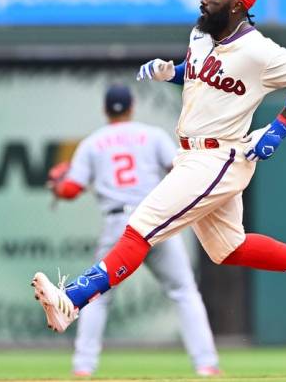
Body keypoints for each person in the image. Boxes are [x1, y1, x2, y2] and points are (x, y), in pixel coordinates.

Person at [32, 0, 286, 341]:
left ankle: (73, 300)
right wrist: (174, 73)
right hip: (191, 153)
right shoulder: (201, 35)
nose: (204, 0)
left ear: (237, 6)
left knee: (141, 227)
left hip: (219, 158)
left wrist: (280, 127)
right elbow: (202, 74)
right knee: (229, 249)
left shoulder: (259, 51)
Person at [47, 85, 221, 377]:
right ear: (132, 106)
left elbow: (71, 189)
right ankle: (206, 364)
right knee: (184, 292)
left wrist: (57, 185)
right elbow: (180, 169)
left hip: (118, 223)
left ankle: (83, 367)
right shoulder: (152, 135)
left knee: (97, 295)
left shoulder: (92, 143)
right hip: (155, 219)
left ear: (105, 110)